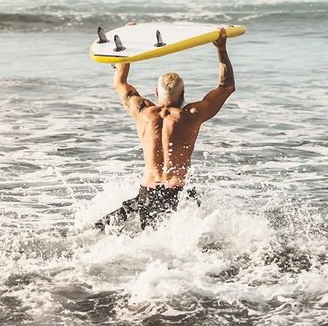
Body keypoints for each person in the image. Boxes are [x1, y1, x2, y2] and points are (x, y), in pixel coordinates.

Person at [97, 29, 236, 229]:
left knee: (119, 231)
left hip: (148, 189)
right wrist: (221, 48)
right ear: (184, 93)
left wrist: (126, 44)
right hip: (176, 191)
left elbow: (119, 82)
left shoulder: (142, 112)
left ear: (156, 92)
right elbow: (226, 87)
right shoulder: (190, 116)